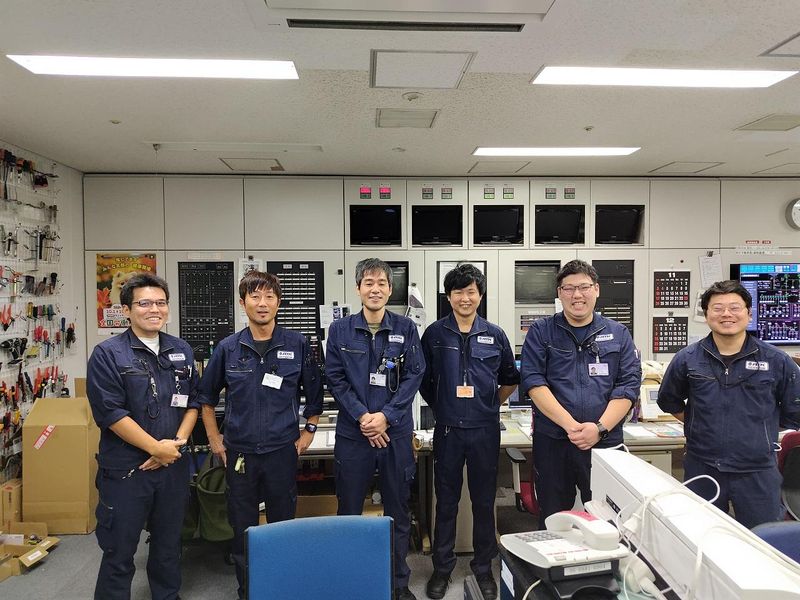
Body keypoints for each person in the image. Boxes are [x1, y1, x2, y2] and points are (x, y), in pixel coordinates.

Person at [198, 271, 323, 599]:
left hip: (282, 451)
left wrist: (309, 431)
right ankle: (248, 590)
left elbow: (314, 395)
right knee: (243, 529)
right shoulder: (228, 348)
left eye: (269, 296)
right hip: (239, 454)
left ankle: (281, 587)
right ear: (243, 303)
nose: (262, 303)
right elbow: (205, 399)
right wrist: (214, 440)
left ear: (278, 302)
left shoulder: (297, 344)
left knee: (283, 525)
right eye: (255, 297)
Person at [86, 273, 199, 600]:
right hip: (128, 471)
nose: (155, 310)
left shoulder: (181, 349)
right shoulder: (108, 354)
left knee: (168, 546)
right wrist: (155, 448)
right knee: (119, 552)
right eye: (145, 303)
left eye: (161, 303)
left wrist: (173, 447)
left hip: (172, 467)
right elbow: (111, 413)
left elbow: (193, 402)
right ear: (127, 310)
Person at [657, 280, 800, 528]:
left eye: (734, 307)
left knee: (762, 541)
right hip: (703, 466)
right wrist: (700, 423)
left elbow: (793, 412)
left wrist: (758, 430)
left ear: (749, 313)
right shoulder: (687, 359)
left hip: (757, 470)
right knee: (700, 536)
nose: (726, 314)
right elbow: (669, 401)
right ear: (707, 315)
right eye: (718, 308)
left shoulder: (776, 360)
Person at [325, 258, 425, 600]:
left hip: (394, 434)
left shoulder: (406, 329)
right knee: (349, 511)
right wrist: (363, 418)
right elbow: (335, 378)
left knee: (398, 511)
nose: (375, 289)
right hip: (354, 436)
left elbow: (414, 374)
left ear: (390, 289)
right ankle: (351, 581)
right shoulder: (340, 330)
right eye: (368, 283)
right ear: (358, 288)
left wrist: (386, 417)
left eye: (382, 283)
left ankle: (398, 583)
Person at [419, 264, 519, 600]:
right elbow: (423, 381)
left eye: (471, 291)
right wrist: (443, 404)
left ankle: (483, 568)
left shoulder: (495, 334)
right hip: (447, 430)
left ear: (480, 295)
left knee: (484, 501)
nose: (465, 298)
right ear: (449, 297)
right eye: (458, 292)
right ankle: (441, 569)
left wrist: (489, 404)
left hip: (484, 430)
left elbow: (510, 379)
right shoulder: (434, 334)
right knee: (446, 502)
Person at [520, 259, 641, 524]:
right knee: (554, 520)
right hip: (554, 443)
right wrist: (571, 427)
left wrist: (599, 428)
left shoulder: (618, 333)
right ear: (559, 293)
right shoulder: (541, 332)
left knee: (609, 521)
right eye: (569, 288)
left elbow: (628, 386)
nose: (577, 295)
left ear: (596, 289)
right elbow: (534, 382)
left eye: (584, 287)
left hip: (604, 444)